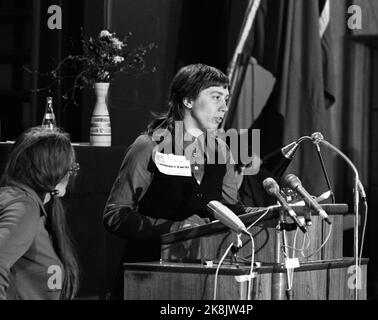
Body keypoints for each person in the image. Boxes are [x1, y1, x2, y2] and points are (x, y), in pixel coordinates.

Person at [103, 64, 259, 298]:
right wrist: (173, 229)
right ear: (187, 100)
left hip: (201, 282)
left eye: (226, 99)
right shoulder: (149, 146)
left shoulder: (222, 150)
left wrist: (274, 213)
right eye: (216, 97)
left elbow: (232, 208)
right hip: (148, 279)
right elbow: (115, 215)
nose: (224, 107)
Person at [0, 126, 80, 300]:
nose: (71, 173)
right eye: (70, 167)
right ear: (53, 170)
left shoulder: (26, 203)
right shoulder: (23, 207)